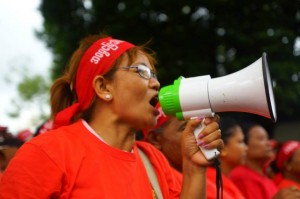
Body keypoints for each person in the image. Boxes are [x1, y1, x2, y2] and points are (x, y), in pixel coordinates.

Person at [0, 34, 223, 198]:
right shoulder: (47, 154)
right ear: (104, 87)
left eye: (154, 75)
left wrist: (194, 168)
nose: (156, 83)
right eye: (142, 72)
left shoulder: (152, 159)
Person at [145, 105, 244, 198]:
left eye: (199, 125)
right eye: (184, 128)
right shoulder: (151, 181)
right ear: (155, 139)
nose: (199, 133)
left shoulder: (209, 176)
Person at [230, 122, 300, 199]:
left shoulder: (267, 180)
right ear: (245, 145)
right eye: (261, 138)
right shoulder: (242, 176)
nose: (269, 143)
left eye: (268, 138)